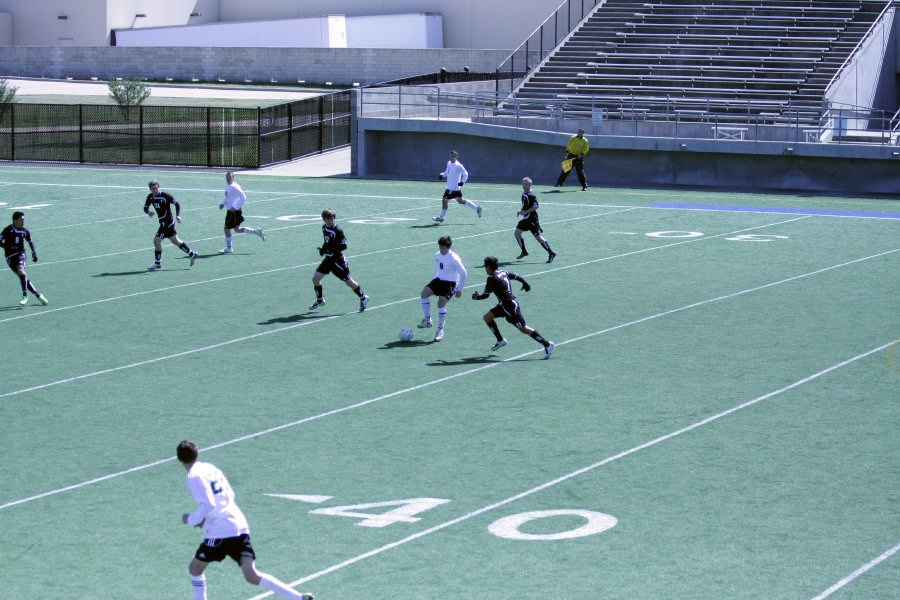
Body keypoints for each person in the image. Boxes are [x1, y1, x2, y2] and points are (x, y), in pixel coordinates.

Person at [177, 441, 314, 600]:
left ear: (179, 459)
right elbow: (229, 495)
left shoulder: (193, 476)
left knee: (195, 569)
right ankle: (299, 598)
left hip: (220, 530)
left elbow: (208, 504)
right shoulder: (210, 467)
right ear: (197, 453)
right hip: (239, 524)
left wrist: (191, 519)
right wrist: (205, 519)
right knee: (251, 575)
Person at [472, 256, 554, 357]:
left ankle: (547, 344)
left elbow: (486, 295)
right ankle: (500, 340)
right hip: (503, 305)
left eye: (485, 266)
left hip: (510, 307)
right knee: (487, 317)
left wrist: (476, 297)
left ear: (488, 267)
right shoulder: (503, 272)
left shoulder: (491, 278)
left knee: (523, 328)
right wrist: (525, 283)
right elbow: (516, 276)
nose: (485, 269)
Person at [308, 208, 368, 312]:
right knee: (315, 279)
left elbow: (344, 246)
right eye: (327, 219)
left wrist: (330, 250)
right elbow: (327, 241)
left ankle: (363, 298)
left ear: (334, 218)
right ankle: (320, 300)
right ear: (323, 220)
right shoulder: (324, 228)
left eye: (331, 219)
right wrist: (323, 249)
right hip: (328, 260)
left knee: (349, 282)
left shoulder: (338, 231)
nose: (329, 221)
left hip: (337, 261)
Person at [419, 235, 467, 342]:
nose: (441, 249)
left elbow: (464, 273)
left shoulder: (454, 259)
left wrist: (460, 289)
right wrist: (433, 281)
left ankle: (440, 330)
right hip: (438, 280)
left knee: (441, 303)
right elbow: (438, 269)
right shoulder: (437, 255)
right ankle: (428, 320)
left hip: (450, 283)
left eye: (443, 248)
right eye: (440, 247)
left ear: (448, 247)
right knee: (424, 293)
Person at [144, 180, 198, 271]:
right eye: (153, 189)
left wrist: (178, 215)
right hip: (163, 223)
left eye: (156, 188)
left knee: (156, 241)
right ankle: (192, 254)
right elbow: (145, 208)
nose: (155, 190)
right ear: (150, 189)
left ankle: (157, 263)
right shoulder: (150, 197)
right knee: (176, 241)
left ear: (159, 187)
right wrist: (148, 212)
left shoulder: (165, 196)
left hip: (167, 223)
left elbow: (176, 203)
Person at [1, 211, 47, 306]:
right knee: (23, 276)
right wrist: (8, 246)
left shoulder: (24, 231)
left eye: (24, 220)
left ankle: (25, 296)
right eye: (21, 220)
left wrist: (34, 253)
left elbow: (30, 241)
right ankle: (38, 295)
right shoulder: (7, 230)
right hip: (10, 257)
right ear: (15, 220)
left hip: (20, 254)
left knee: (21, 271)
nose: (23, 222)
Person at [219, 171, 266, 254]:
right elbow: (227, 198)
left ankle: (229, 248)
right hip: (232, 211)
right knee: (237, 229)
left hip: (233, 212)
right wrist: (223, 203)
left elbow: (244, 197)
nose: (228, 179)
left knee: (226, 229)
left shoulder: (235, 187)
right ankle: (256, 231)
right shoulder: (227, 186)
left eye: (229, 177)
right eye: (226, 177)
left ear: (233, 178)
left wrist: (235, 207)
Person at [432, 150, 482, 223]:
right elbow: (447, 172)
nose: (451, 157)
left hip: (453, 188)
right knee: (460, 201)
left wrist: (462, 182)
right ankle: (477, 208)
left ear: (456, 157)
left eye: (453, 156)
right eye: (451, 156)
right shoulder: (449, 163)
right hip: (452, 188)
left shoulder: (458, 166)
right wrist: (442, 175)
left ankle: (441, 217)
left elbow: (466, 174)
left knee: (444, 201)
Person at [514, 177, 556, 263]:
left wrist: (525, 212)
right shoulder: (524, 193)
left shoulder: (531, 195)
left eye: (526, 184)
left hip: (532, 219)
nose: (523, 185)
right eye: (523, 183)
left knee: (538, 237)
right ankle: (524, 251)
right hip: (526, 219)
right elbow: (525, 205)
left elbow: (536, 206)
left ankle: (551, 253)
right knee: (517, 233)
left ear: (530, 185)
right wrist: (521, 210)